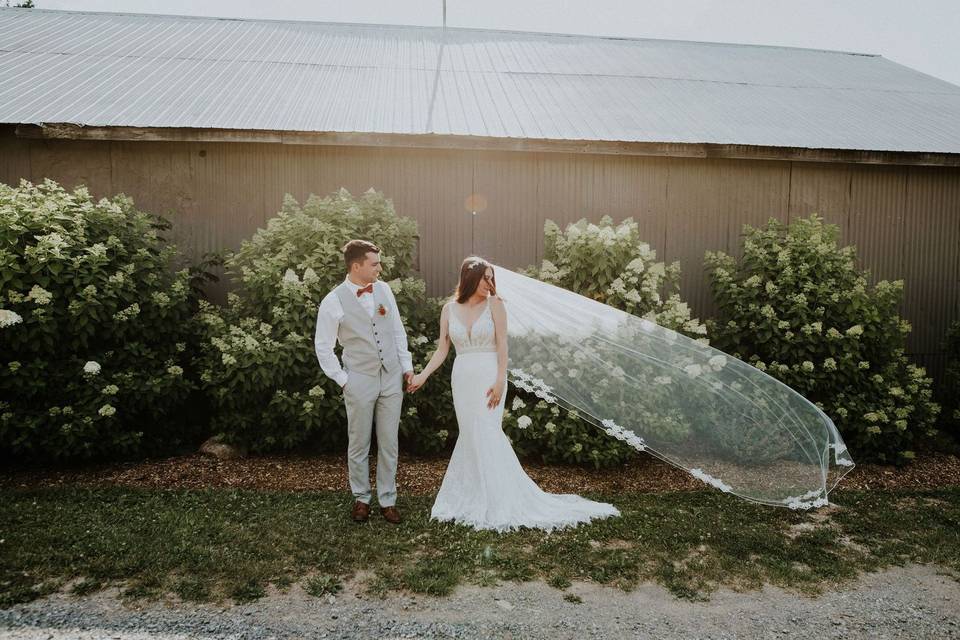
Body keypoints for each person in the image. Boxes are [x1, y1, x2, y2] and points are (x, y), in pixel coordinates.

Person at [407, 256, 620, 532]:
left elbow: (503, 345)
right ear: (470, 279)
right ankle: (474, 495)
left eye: (492, 277)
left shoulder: (495, 305)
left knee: (487, 431)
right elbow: (442, 349)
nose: (490, 283)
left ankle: (500, 499)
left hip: (489, 375)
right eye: (485, 277)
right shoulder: (449, 309)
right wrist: (422, 375)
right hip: (462, 378)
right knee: (471, 435)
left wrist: (499, 380)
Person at [314, 239, 414, 524]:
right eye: (374, 263)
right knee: (358, 443)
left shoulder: (384, 290)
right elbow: (323, 346)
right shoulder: (333, 301)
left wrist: (406, 367)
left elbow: (397, 332)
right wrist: (344, 380)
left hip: (391, 378)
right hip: (358, 379)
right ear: (356, 266)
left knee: (389, 442)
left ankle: (388, 500)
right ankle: (361, 498)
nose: (379, 268)